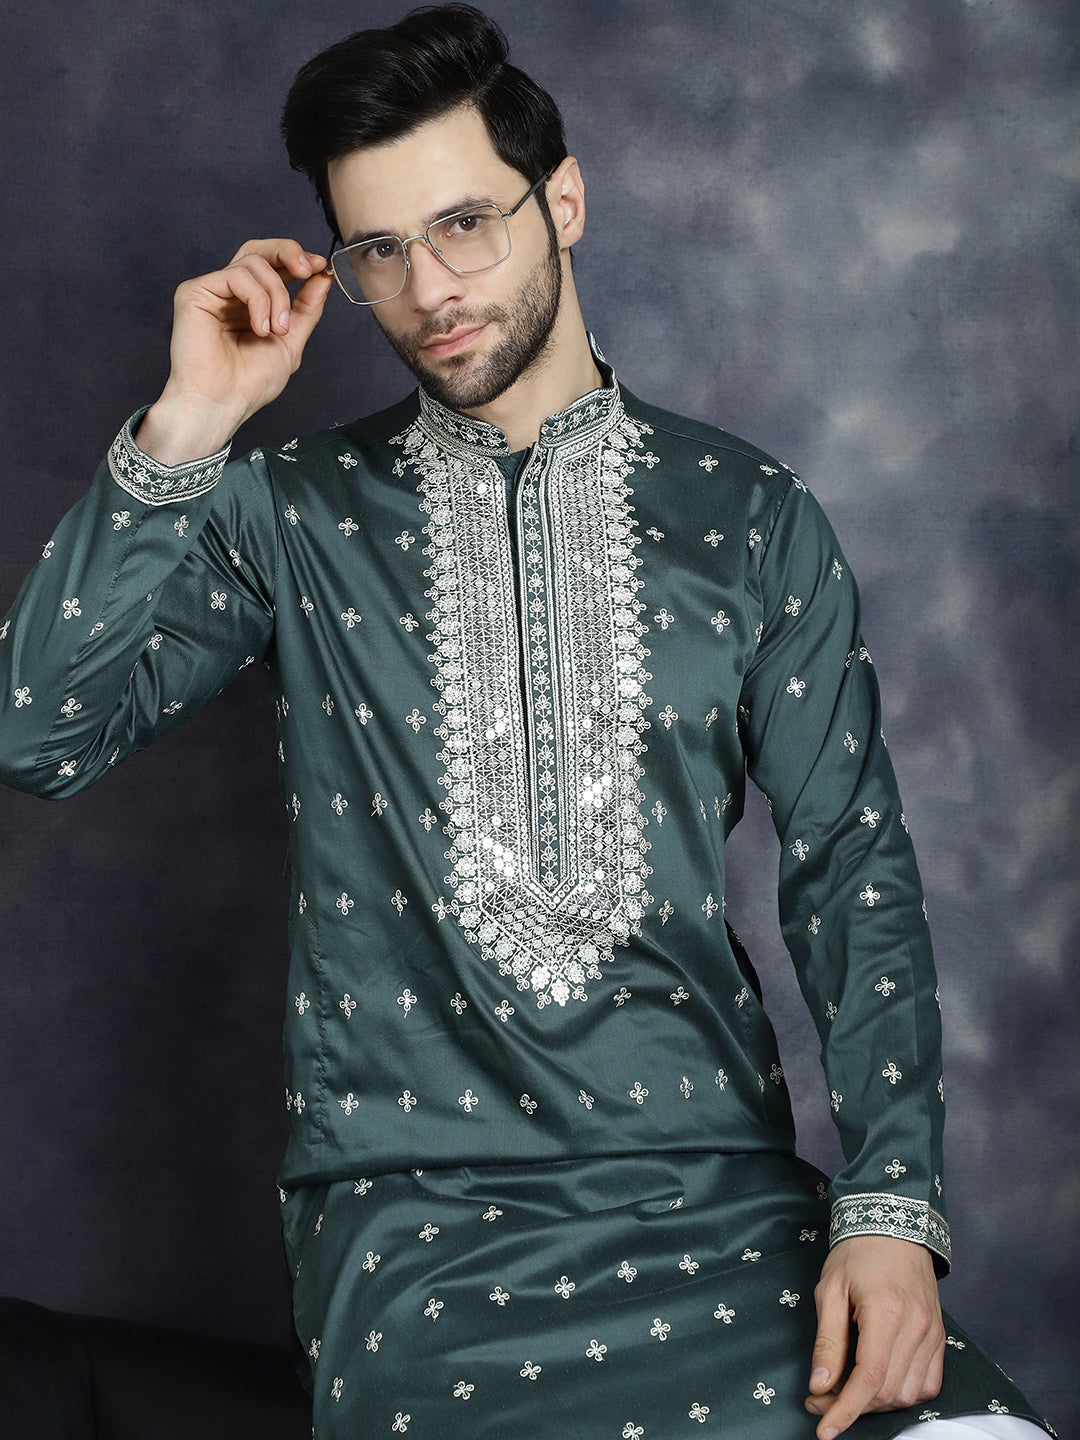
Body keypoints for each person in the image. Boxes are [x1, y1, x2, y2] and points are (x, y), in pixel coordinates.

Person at [0, 7, 1052, 1439]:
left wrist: (889, 1212)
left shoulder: (746, 516)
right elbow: (37, 733)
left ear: (563, 201)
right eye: (378, 250)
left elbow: (851, 871)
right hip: (416, 1241)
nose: (429, 287)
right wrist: (188, 425)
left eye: (464, 225)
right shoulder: (292, 517)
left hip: (727, 1207)